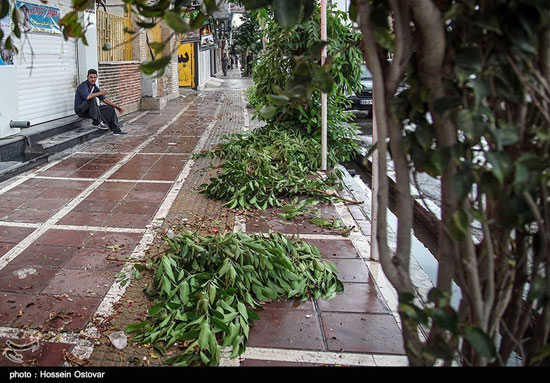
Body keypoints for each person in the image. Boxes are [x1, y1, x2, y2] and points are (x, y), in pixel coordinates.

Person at [74, 69, 126, 135]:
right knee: (92, 98)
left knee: (109, 109)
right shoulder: (83, 86)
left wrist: (116, 106)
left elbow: (104, 99)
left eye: (94, 77)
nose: (93, 79)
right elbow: (87, 97)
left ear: (96, 78)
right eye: (91, 77)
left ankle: (116, 130)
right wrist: (100, 92)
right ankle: (97, 122)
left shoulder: (94, 87)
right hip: (81, 111)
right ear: (87, 77)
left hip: (90, 111)